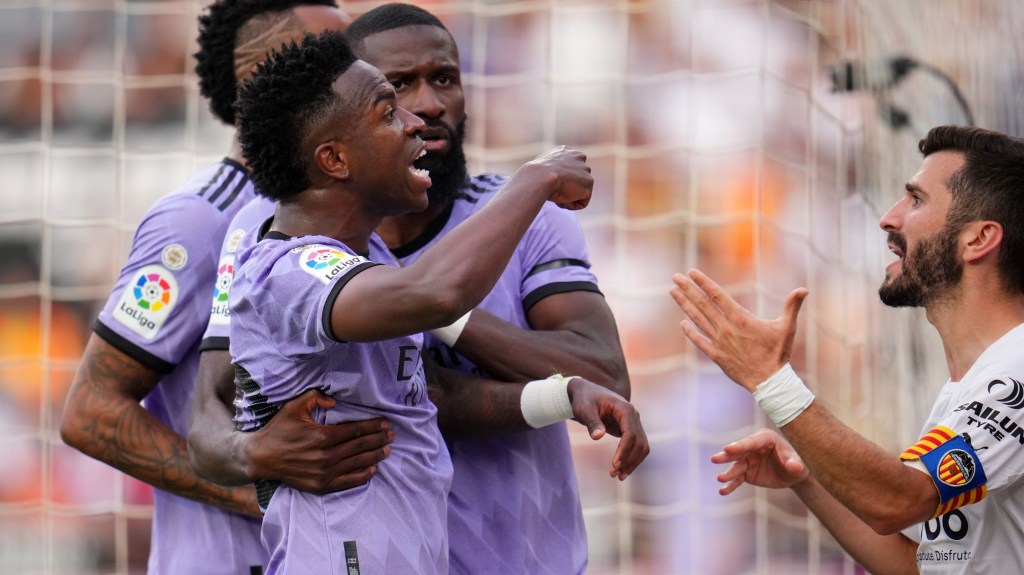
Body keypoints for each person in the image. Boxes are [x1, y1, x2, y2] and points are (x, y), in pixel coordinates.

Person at [187, 4, 645, 573]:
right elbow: (431, 296)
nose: (422, 112)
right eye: (393, 99)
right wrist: (539, 177)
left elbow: (431, 394)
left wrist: (561, 392)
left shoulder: (463, 240)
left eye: (445, 78)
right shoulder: (283, 260)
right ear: (333, 156)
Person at [58, 2, 391, 573]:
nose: (363, 71)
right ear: (272, 79)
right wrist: (262, 492)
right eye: (337, 56)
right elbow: (90, 411)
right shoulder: (199, 223)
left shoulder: (350, 216)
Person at [670, 125, 1024, 574]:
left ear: (978, 239)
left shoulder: (1016, 371)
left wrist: (773, 382)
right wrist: (808, 479)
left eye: (916, 200)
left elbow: (899, 499)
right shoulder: (968, 386)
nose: (889, 218)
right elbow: (918, 565)